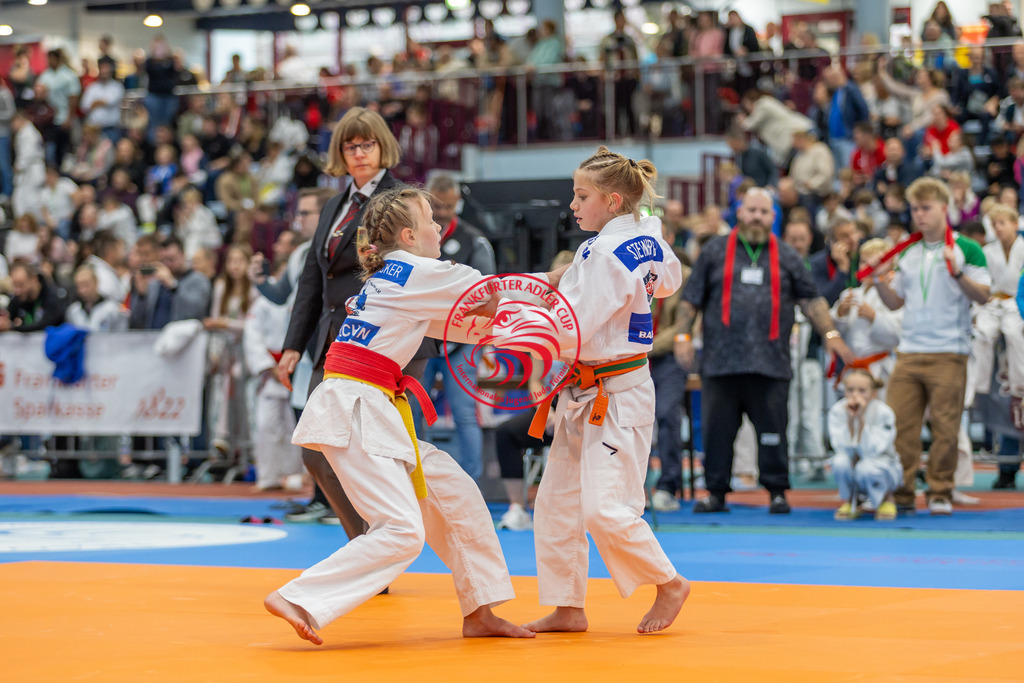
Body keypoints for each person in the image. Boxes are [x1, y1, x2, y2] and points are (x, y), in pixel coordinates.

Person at [264, 187, 535, 645]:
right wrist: (554, 283)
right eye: (430, 220)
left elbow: (470, 319)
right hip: (357, 407)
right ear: (409, 236)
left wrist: (528, 310)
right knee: (402, 530)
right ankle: (299, 597)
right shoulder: (414, 270)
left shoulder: (395, 277)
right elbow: (486, 293)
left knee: (456, 496)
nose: (439, 226)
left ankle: (480, 610)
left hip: (374, 407)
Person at [490, 147, 689, 634]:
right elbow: (668, 282)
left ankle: (668, 582)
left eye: (581, 196)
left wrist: (502, 320)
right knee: (557, 503)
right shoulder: (642, 237)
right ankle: (567, 606)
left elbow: (569, 330)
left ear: (612, 200)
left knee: (604, 508)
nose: (573, 205)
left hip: (614, 392)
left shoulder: (603, 251)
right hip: (589, 388)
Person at [676, 188, 853, 514]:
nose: (757, 217)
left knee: (773, 433)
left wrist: (830, 334)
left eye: (763, 212)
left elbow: (811, 299)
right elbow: (691, 299)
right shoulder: (715, 251)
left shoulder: (787, 255)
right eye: (751, 210)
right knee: (717, 434)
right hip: (720, 362)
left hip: (771, 362)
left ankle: (777, 491)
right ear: (739, 212)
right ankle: (716, 492)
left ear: (773, 217)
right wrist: (682, 336)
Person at [276, 107, 406, 533]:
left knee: (377, 453)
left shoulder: (401, 199)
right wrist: (293, 345)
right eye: (350, 146)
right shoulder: (335, 205)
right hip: (332, 341)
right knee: (316, 452)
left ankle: (386, 540)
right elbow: (312, 280)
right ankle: (363, 543)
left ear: (382, 146)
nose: (359, 153)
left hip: (384, 341)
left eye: (367, 144)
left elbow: (419, 264)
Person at [866, 178, 991, 515]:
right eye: (914, 209)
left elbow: (984, 295)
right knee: (899, 427)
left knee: (945, 428)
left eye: (925, 208)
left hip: (949, 351)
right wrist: (878, 278)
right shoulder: (907, 251)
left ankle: (940, 491)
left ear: (944, 208)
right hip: (908, 350)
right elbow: (895, 302)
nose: (919, 215)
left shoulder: (967, 248)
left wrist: (958, 274)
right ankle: (903, 493)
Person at [416, 174, 497, 480]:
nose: (442, 213)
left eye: (448, 207)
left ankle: (471, 484)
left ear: (458, 204)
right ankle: (418, 480)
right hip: (423, 337)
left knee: (464, 413)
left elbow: (488, 291)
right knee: (414, 410)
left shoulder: (474, 240)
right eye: (436, 207)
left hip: (461, 341)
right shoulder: (414, 240)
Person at [831, 238, 904, 397]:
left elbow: (897, 336)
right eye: (863, 262)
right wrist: (841, 313)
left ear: (888, 267)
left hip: (879, 369)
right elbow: (834, 333)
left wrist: (874, 318)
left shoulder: (894, 297)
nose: (867, 268)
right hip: (852, 368)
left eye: (874, 264)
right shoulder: (850, 294)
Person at [828, 368, 902, 521]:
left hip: (881, 466)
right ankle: (851, 500)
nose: (855, 395)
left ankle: (887, 498)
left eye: (862, 390)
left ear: (873, 393)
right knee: (839, 462)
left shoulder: (884, 412)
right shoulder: (837, 410)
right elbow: (840, 448)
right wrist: (851, 422)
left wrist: (861, 421)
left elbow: (873, 451)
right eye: (850, 390)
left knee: (866, 467)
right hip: (854, 466)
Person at [973, 204, 1024, 399]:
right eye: (995, 224)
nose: (998, 228)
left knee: (1014, 334)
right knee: (982, 334)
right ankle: (978, 388)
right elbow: (982, 283)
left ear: (1015, 224)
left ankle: (1019, 387)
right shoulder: (987, 251)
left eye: (1002, 223)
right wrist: (977, 311)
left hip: (1016, 303)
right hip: (993, 302)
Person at [0, 262, 65, 333]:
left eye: (21, 285)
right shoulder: (19, 298)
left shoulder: (53, 298)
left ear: (34, 279)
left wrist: (14, 327)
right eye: (14, 285)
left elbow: (44, 326)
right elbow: (8, 318)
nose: (17, 291)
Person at [64, 264, 129, 332]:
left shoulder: (113, 309)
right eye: (79, 286)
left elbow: (122, 335)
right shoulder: (73, 311)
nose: (82, 290)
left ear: (96, 282)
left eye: (86, 285)